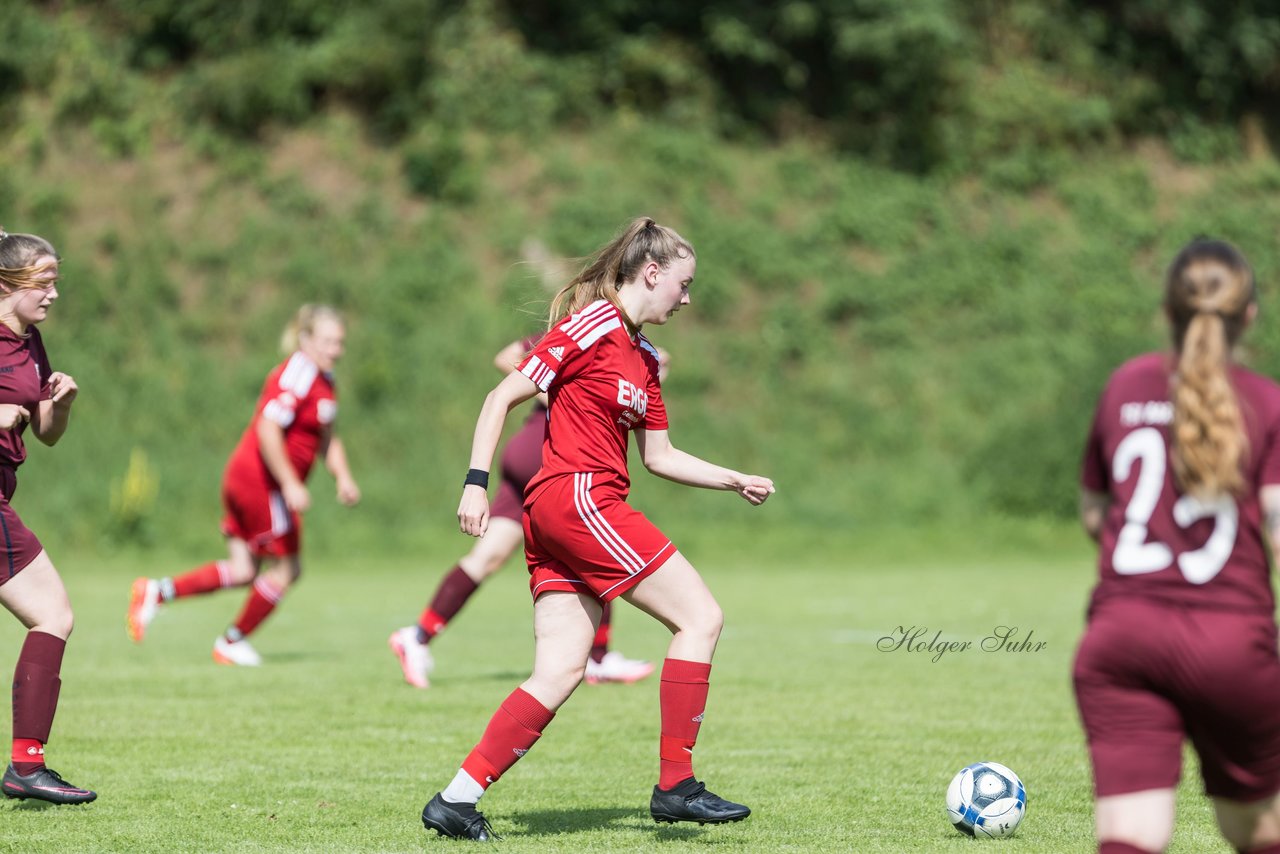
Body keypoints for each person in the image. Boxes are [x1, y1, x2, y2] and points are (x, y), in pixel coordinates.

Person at [418, 217, 775, 841]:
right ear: (652, 272)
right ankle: (675, 785)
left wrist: (733, 478)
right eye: (683, 285)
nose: (687, 299)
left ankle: (456, 800)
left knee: (560, 669)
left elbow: (659, 457)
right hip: (579, 500)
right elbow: (501, 397)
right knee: (701, 618)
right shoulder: (593, 324)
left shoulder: (644, 359)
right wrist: (476, 481)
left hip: (565, 512)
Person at [1075, 238, 1280, 854]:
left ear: (1167, 313)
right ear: (1249, 315)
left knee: (1131, 835)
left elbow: (1094, 512)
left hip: (1121, 639)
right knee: (1257, 829)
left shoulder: (1124, 385)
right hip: (1229, 642)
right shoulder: (1265, 401)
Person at [388, 335, 668, 689]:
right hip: (549, 459)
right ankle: (598, 658)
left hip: (527, 461)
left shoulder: (615, 340)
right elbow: (506, 357)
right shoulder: (585, 330)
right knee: (592, 541)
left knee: (486, 557)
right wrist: (549, 389)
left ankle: (417, 636)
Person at [126, 304, 360, 666]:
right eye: (328, 341)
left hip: (250, 478)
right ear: (306, 339)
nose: (336, 351)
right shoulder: (299, 373)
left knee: (243, 571)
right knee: (287, 569)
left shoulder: (325, 382)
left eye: (340, 343)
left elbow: (327, 437)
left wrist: (342, 476)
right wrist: (289, 484)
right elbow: (268, 429)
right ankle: (232, 642)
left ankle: (156, 592)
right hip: (261, 481)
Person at [0, 229, 95, 804]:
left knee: (53, 614)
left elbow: (47, 435)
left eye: (57, 280)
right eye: (44, 280)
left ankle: (25, 767)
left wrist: (58, 406)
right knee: (52, 613)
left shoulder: (30, 342)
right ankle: (24, 767)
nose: (54, 292)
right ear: (8, 283)